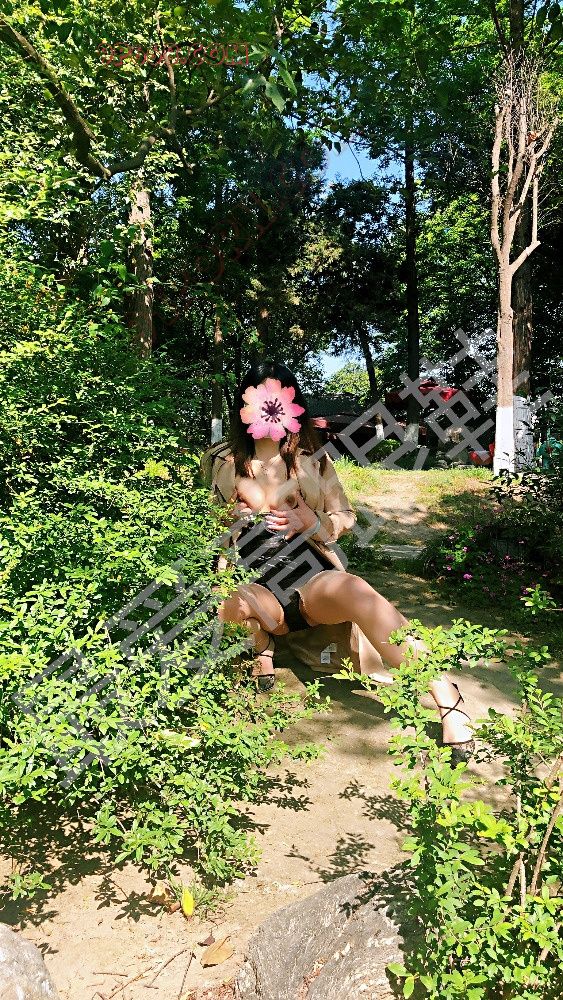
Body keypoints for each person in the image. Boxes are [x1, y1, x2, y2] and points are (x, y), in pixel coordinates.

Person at [201, 360, 475, 762]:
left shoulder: (314, 458)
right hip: (253, 582)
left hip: (311, 579)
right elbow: (201, 521)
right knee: (221, 602)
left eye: (278, 397)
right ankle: (262, 643)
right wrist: (227, 518)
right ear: (244, 404)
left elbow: (345, 516)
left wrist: (313, 522)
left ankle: (446, 695)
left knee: (357, 591)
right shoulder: (218, 459)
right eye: (259, 397)